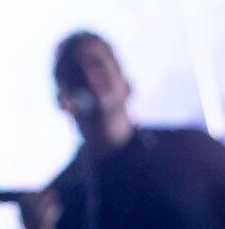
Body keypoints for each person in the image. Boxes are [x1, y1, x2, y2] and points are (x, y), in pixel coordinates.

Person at [17, 31, 225, 229]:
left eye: (97, 64)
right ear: (63, 101)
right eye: (74, 73)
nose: (89, 78)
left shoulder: (193, 150)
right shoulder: (58, 203)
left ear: (126, 83)